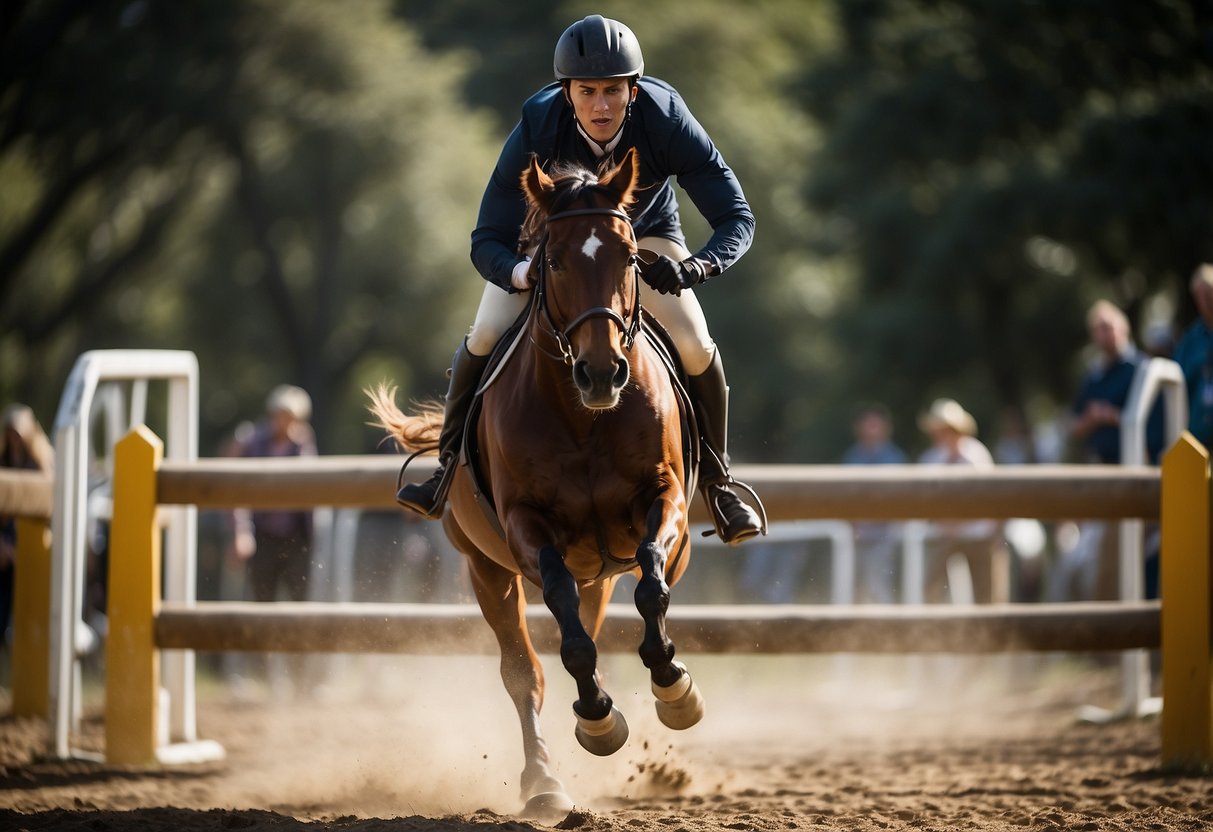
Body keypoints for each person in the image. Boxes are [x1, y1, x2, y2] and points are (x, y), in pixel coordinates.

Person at [394, 14, 764, 544]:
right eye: (587, 91)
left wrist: (695, 267)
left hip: (641, 238)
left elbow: (736, 217)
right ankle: (445, 468)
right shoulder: (539, 125)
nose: (601, 106)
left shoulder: (666, 118)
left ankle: (720, 483)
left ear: (633, 91)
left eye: (613, 90)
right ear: (566, 92)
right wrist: (519, 272)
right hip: (551, 248)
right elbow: (486, 239)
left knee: (695, 343)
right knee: (483, 335)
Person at [230, 385, 318, 604]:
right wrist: (241, 531)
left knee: (300, 598)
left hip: (296, 537)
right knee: (262, 598)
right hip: (263, 535)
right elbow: (236, 488)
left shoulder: (303, 446)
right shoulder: (252, 443)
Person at [917, 398, 1005, 604]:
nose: (940, 434)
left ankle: (987, 633)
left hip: (978, 533)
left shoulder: (977, 455)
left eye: (945, 429)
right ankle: (935, 631)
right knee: (932, 588)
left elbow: (989, 497)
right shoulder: (931, 459)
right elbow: (924, 501)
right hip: (945, 533)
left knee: (987, 594)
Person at [1068, 299, 1164, 465]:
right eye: (1097, 330)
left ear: (1123, 327)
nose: (1103, 335)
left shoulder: (1143, 369)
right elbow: (1074, 426)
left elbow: (1156, 424)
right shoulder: (1093, 377)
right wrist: (1091, 419)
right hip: (1101, 465)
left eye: (1107, 327)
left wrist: (1111, 416)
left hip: (1138, 463)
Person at [0, 405, 55, 669]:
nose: (13, 439)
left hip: (31, 548)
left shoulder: (40, 464)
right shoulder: (5, 462)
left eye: (17, 433)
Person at [841, 405, 907, 603]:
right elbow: (843, 497)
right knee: (854, 586)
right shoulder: (852, 457)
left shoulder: (895, 458)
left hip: (885, 533)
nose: (871, 429)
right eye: (868, 424)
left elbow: (899, 500)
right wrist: (853, 524)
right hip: (856, 533)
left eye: (875, 425)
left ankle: (884, 630)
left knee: (879, 584)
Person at [1172, 263, 1213, 448]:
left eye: (1209, 294)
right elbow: (1177, 382)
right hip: (1197, 438)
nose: (1206, 301)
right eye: (1200, 296)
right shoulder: (1190, 340)